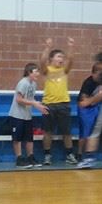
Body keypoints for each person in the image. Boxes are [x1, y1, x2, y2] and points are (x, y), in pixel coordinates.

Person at [39, 37, 76, 165]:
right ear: (52, 59)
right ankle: (47, 155)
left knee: (66, 132)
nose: (61, 59)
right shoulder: (47, 70)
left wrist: (71, 47)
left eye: (62, 57)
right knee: (48, 132)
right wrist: (47, 47)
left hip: (63, 104)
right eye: (59, 56)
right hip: (49, 104)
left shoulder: (64, 70)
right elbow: (42, 61)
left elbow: (71, 60)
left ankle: (69, 154)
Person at [8, 63, 48, 169]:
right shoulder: (23, 83)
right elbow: (19, 99)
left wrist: (38, 106)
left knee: (29, 138)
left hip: (27, 115)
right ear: (29, 72)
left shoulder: (33, 84)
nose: (38, 74)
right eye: (36, 71)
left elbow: (30, 99)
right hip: (17, 115)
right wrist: (34, 103)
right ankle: (19, 159)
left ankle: (31, 157)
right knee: (17, 138)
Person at [76, 65, 100, 158]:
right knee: (85, 132)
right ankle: (80, 153)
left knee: (97, 131)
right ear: (93, 73)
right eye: (98, 74)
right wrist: (95, 100)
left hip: (94, 106)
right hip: (85, 108)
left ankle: (92, 153)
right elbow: (84, 99)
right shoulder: (88, 82)